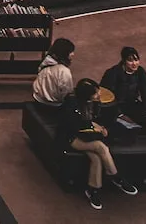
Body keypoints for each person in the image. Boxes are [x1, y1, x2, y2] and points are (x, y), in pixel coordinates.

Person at [57, 79, 138, 209]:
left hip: (85, 136)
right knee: (100, 147)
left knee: (96, 159)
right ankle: (116, 176)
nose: (98, 95)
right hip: (71, 137)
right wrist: (95, 129)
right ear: (86, 94)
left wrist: (97, 127)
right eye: (95, 93)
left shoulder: (91, 103)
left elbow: (90, 121)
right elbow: (76, 126)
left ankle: (92, 190)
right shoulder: (72, 104)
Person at [100, 47, 146, 133]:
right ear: (124, 61)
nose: (134, 64)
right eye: (130, 61)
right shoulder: (112, 73)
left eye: (136, 60)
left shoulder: (140, 72)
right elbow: (105, 96)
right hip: (116, 106)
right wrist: (120, 115)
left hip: (132, 104)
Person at [32, 37, 76, 107]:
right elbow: (67, 92)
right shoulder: (64, 71)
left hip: (38, 100)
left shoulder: (45, 62)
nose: (73, 54)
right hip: (54, 105)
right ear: (64, 53)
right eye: (71, 52)